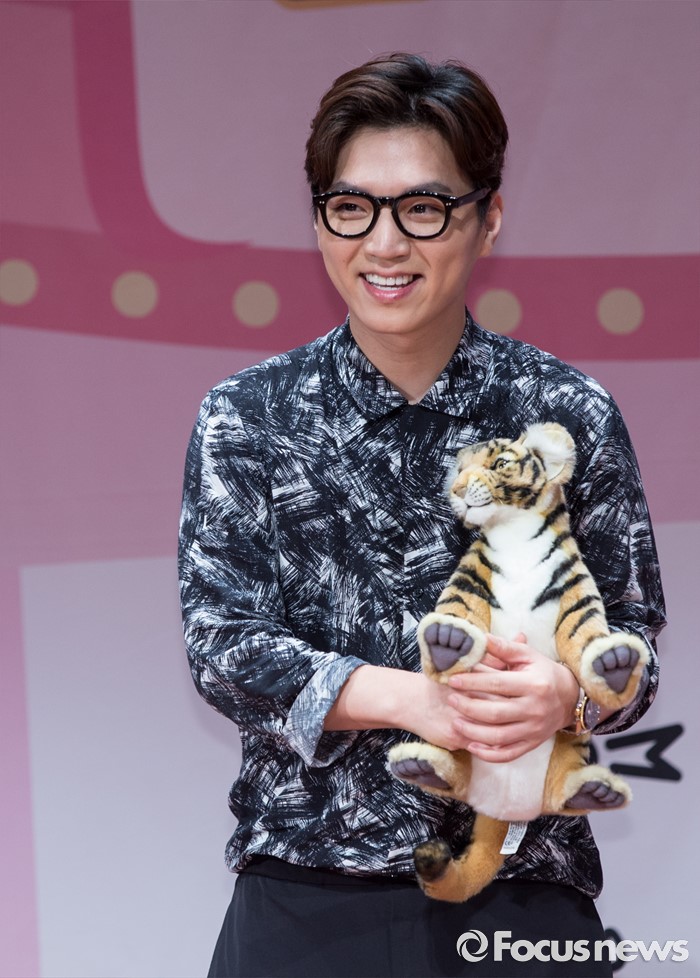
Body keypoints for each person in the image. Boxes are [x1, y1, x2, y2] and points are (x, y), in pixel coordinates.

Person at [178, 53, 665, 978]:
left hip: (524, 896)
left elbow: (634, 645)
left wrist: (566, 696)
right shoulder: (248, 416)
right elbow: (222, 645)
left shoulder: (567, 412)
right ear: (320, 219)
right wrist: (417, 701)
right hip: (304, 895)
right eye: (351, 207)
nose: (385, 244)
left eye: (425, 209)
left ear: (489, 219)